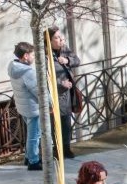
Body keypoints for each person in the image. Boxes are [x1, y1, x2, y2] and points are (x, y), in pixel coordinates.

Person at [46, 26, 81, 159]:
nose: (60, 39)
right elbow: (44, 77)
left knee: (66, 121)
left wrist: (67, 60)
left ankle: (66, 148)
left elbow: (77, 60)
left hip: (68, 93)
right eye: (56, 37)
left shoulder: (64, 49)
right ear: (49, 41)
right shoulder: (45, 56)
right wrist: (61, 84)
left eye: (61, 36)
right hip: (55, 94)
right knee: (56, 123)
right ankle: (57, 149)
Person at [8, 42, 42, 171]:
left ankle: (28, 157)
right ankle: (33, 161)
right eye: (32, 55)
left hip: (23, 107)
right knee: (34, 136)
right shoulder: (27, 72)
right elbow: (38, 91)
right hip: (33, 108)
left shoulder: (13, 67)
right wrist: (50, 103)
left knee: (31, 134)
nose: (34, 57)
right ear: (26, 56)